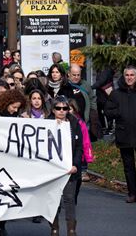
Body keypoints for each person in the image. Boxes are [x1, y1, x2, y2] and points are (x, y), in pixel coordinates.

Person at [0, 89, 27, 235]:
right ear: (6, 103)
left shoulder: (15, 116)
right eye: (13, 107)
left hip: (8, 161)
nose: (15, 111)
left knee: (7, 194)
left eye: (17, 108)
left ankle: (1, 224)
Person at [48, 96, 83, 236]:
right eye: (58, 108)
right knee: (54, 200)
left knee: (69, 199)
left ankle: (71, 230)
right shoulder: (46, 124)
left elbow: (79, 146)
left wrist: (75, 164)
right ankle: (54, 228)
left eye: (65, 108)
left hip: (70, 170)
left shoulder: (75, 123)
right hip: (52, 170)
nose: (62, 111)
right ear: (53, 109)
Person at [105, 66, 136, 203]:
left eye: (132, 75)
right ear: (124, 77)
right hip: (124, 134)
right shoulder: (116, 94)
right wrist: (119, 113)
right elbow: (107, 111)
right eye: (127, 75)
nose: (129, 77)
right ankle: (132, 193)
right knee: (128, 167)